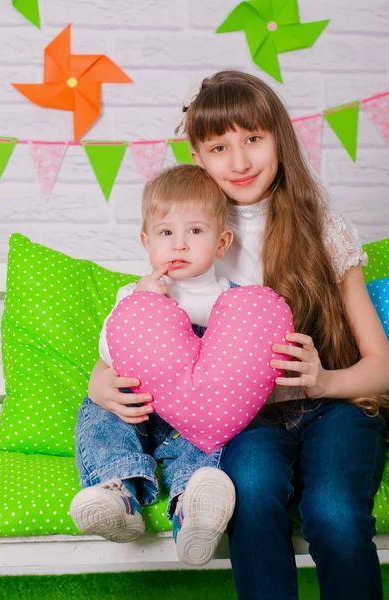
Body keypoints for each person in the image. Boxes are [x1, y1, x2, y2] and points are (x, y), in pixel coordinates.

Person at [87, 70, 389, 600]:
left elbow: (381, 366)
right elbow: (140, 328)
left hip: (333, 409)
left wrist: (322, 381)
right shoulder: (189, 230)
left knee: (335, 513)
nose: (240, 160)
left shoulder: (322, 226)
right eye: (219, 146)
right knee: (249, 496)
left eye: (253, 138)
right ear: (196, 155)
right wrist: (99, 381)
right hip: (245, 420)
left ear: (280, 137)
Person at [70, 164, 237, 567]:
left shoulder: (231, 301)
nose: (179, 245)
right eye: (166, 233)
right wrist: (144, 303)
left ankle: (190, 508)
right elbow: (110, 353)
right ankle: (117, 492)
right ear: (147, 242)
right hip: (139, 410)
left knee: (222, 434)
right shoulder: (135, 292)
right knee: (98, 413)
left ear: (222, 242)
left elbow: (237, 375)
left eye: (195, 232)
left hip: (195, 420)